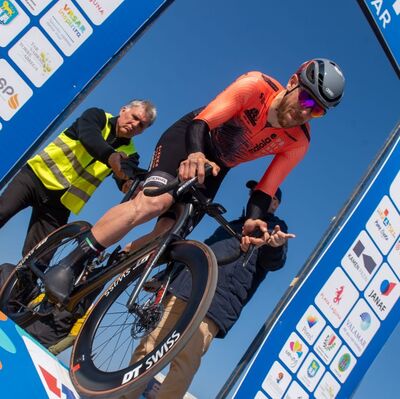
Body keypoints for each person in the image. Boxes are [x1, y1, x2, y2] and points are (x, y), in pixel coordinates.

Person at [44, 58, 345, 303]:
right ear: (293, 81)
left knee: (171, 232)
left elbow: (265, 190)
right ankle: (71, 261)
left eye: (316, 110)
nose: (305, 111)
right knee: (155, 202)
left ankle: (110, 267)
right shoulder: (255, 86)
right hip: (191, 137)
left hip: (218, 166)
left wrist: (254, 221)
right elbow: (202, 123)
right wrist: (196, 155)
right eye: (306, 98)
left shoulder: (298, 142)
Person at [125, 182, 293, 399]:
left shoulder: (275, 229)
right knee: (148, 347)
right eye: (254, 193)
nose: (255, 196)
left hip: (216, 304)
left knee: (184, 362)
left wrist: (275, 244)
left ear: (275, 203)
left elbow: (274, 262)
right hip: (185, 288)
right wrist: (167, 277)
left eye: (263, 194)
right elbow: (201, 253)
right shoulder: (231, 223)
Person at [0, 99, 156, 257]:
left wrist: (127, 182)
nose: (135, 124)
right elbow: (89, 136)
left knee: (39, 260)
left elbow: (127, 172)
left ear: (141, 131)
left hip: (60, 206)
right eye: (135, 117)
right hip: (36, 178)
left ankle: (13, 279)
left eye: (141, 125)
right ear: (123, 110)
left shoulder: (131, 153)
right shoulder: (97, 116)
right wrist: (110, 156)